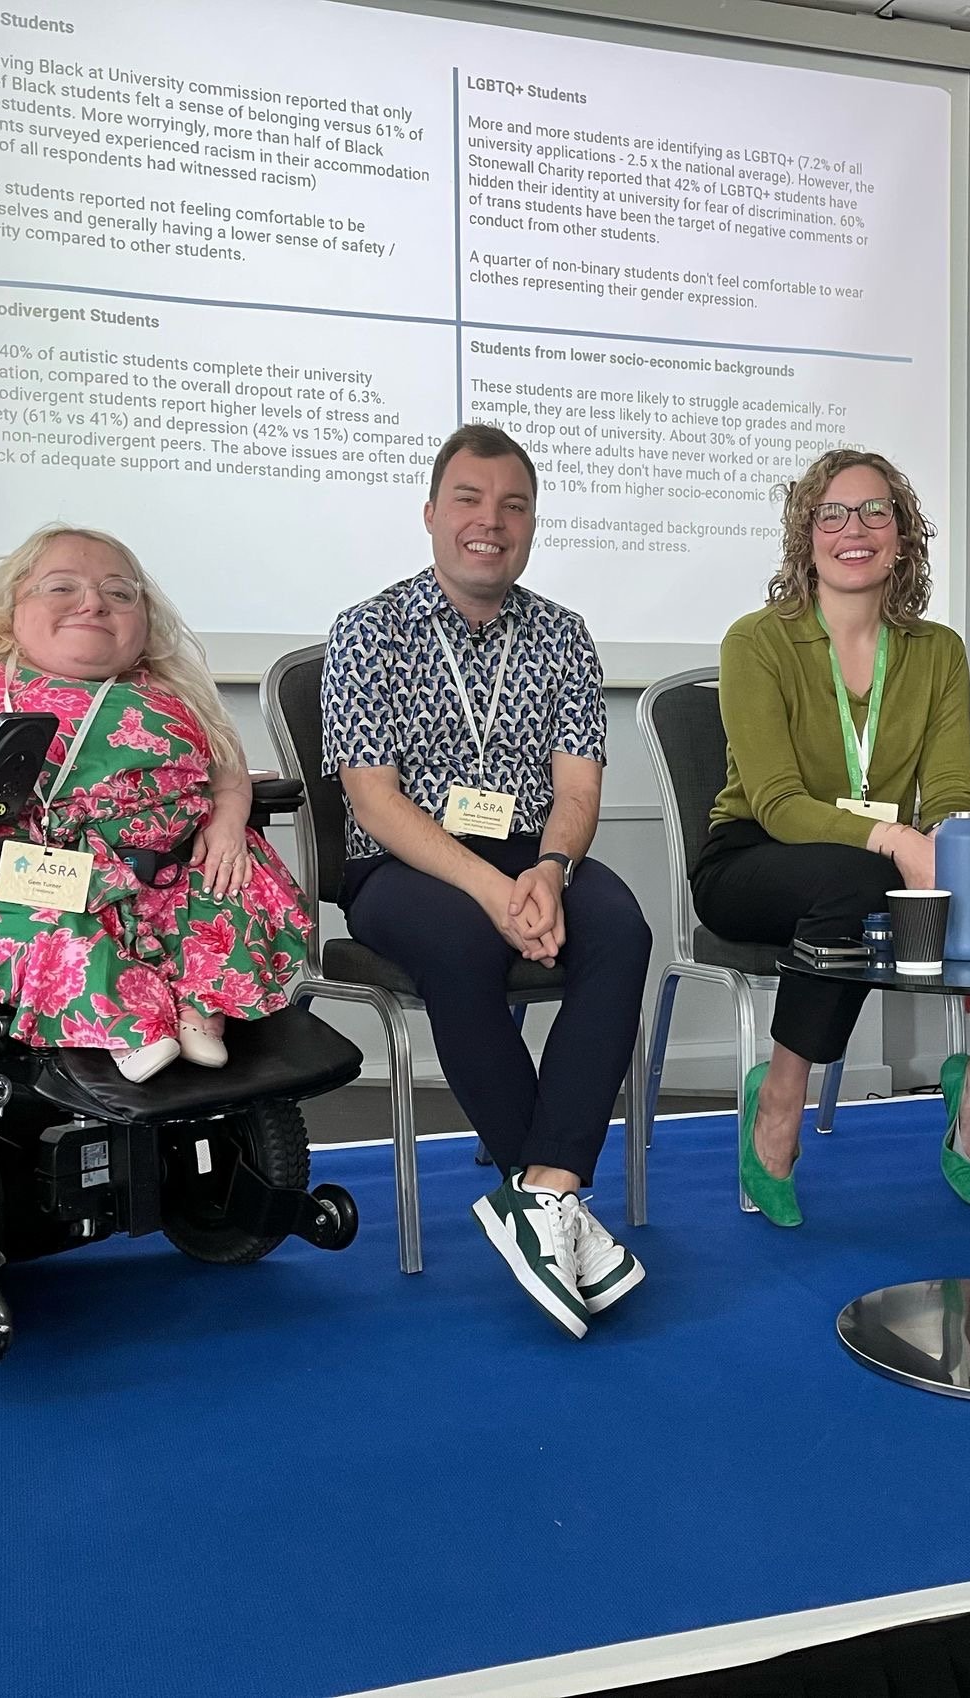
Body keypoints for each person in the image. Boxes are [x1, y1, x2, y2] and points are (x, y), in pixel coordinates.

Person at [321, 424, 651, 1339]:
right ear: (431, 513)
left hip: (530, 854)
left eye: (513, 506)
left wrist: (548, 869)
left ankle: (546, 1190)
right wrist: (491, 890)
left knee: (619, 928)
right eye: (468, 499)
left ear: (532, 524)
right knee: (462, 937)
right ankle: (553, 1202)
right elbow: (374, 800)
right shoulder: (369, 630)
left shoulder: (562, 636)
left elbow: (576, 789)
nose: (490, 522)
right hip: (403, 865)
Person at [692, 449, 970, 1225]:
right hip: (755, 855)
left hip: (882, 855)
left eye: (874, 511)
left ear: (901, 536)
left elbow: (947, 789)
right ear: (805, 537)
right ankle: (781, 1095)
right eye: (831, 513)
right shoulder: (756, 640)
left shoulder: (936, 651)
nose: (854, 529)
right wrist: (898, 841)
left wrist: (950, 843)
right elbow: (777, 802)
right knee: (856, 882)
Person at [0, 524, 311, 1083]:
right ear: (10, 604)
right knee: (48, 922)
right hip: (26, 861)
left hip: (165, 865)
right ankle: (128, 1024)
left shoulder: (170, 686)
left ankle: (199, 1005)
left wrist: (229, 822)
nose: (93, 603)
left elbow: (228, 770)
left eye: (119, 593)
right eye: (62, 587)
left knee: (229, 885)